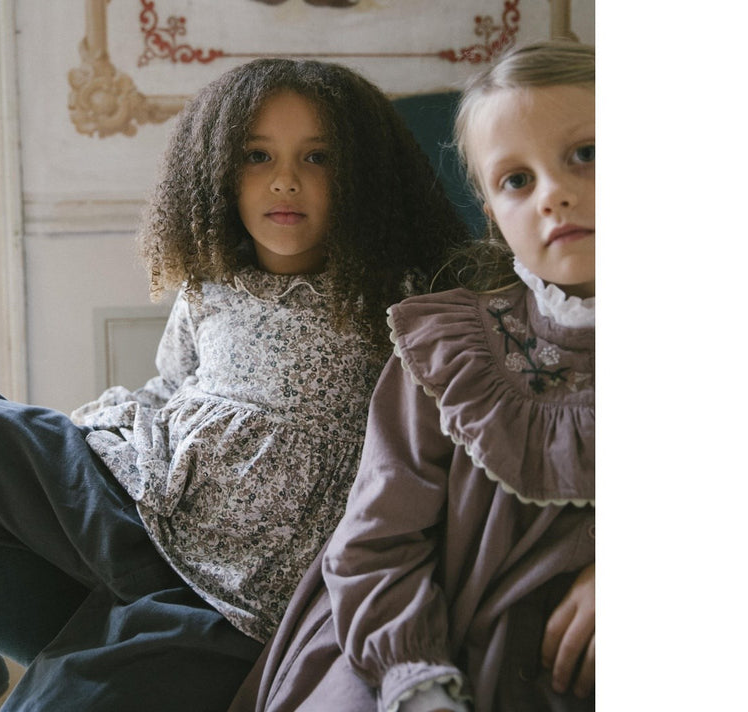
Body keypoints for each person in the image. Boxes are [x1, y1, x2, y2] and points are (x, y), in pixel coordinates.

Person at [0, 58, 469, 712]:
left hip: (233, 596)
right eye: (258, 156)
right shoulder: (209, 283)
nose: (286, 180)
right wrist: (75, 448)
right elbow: (168, 386)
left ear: (363, 175)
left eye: (318, 157)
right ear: (218, 172)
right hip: (139, 500)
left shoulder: (407, 303)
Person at [227, 40, 596, 712]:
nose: (556, 195)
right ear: (491, 211)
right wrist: (418, 681)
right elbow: (375, 544)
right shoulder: (447, 348)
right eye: (517, 180)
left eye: (588, 154)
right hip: (413, 646)